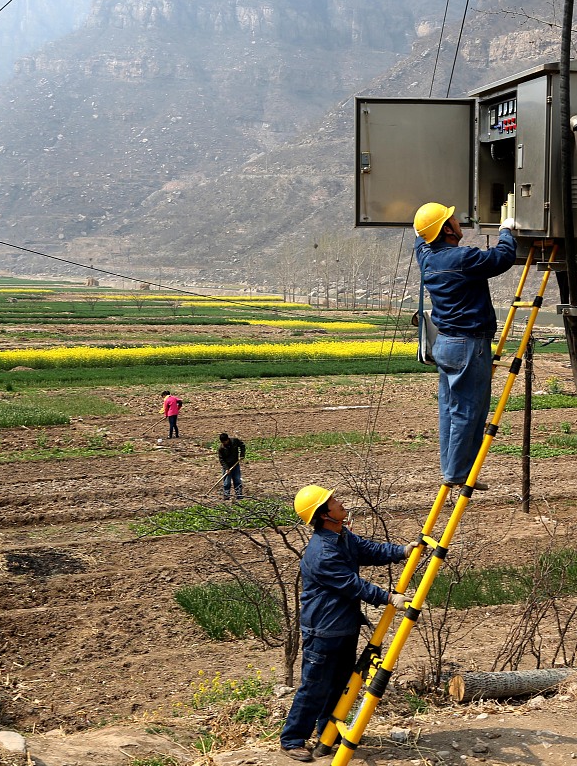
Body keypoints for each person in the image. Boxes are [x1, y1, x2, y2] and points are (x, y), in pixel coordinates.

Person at [279, 485, 413, 761]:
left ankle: (328, 733)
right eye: (333, 501)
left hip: (343, 625)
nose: (339, 503)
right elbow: (351, 584)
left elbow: (367, 550)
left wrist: (401, 551)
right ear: (324, 514)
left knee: (339, 683)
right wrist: (389, 598)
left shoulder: (341, 536)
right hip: (324, 628)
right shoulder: (322, 553)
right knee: (314, 686)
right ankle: (292, 739)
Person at [413, 202, 517, 490]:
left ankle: (455, 468)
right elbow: (502, 258)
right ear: (447, 230)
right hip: (468, 345)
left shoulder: (427, 257)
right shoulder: (461, 258)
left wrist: (422, 227)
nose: (459, 223)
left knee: (450, 410)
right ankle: (458, 473)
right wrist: (506, 230)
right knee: (468, 411)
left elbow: (419, 241)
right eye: (453, 220)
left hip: (446, 344)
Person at [217, 432, 247, 500]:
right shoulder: (221, 448)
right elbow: (221, 459)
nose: (224, 443)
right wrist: (226, 468)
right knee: (227, 482)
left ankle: (239, 494)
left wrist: (242, 455)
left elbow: (242, 445)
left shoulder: (235, 441)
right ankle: (226, 495)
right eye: (222, 442)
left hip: (235, 464)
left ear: (228, 439)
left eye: (225, 441)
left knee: (237, 480)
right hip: (227, 466)